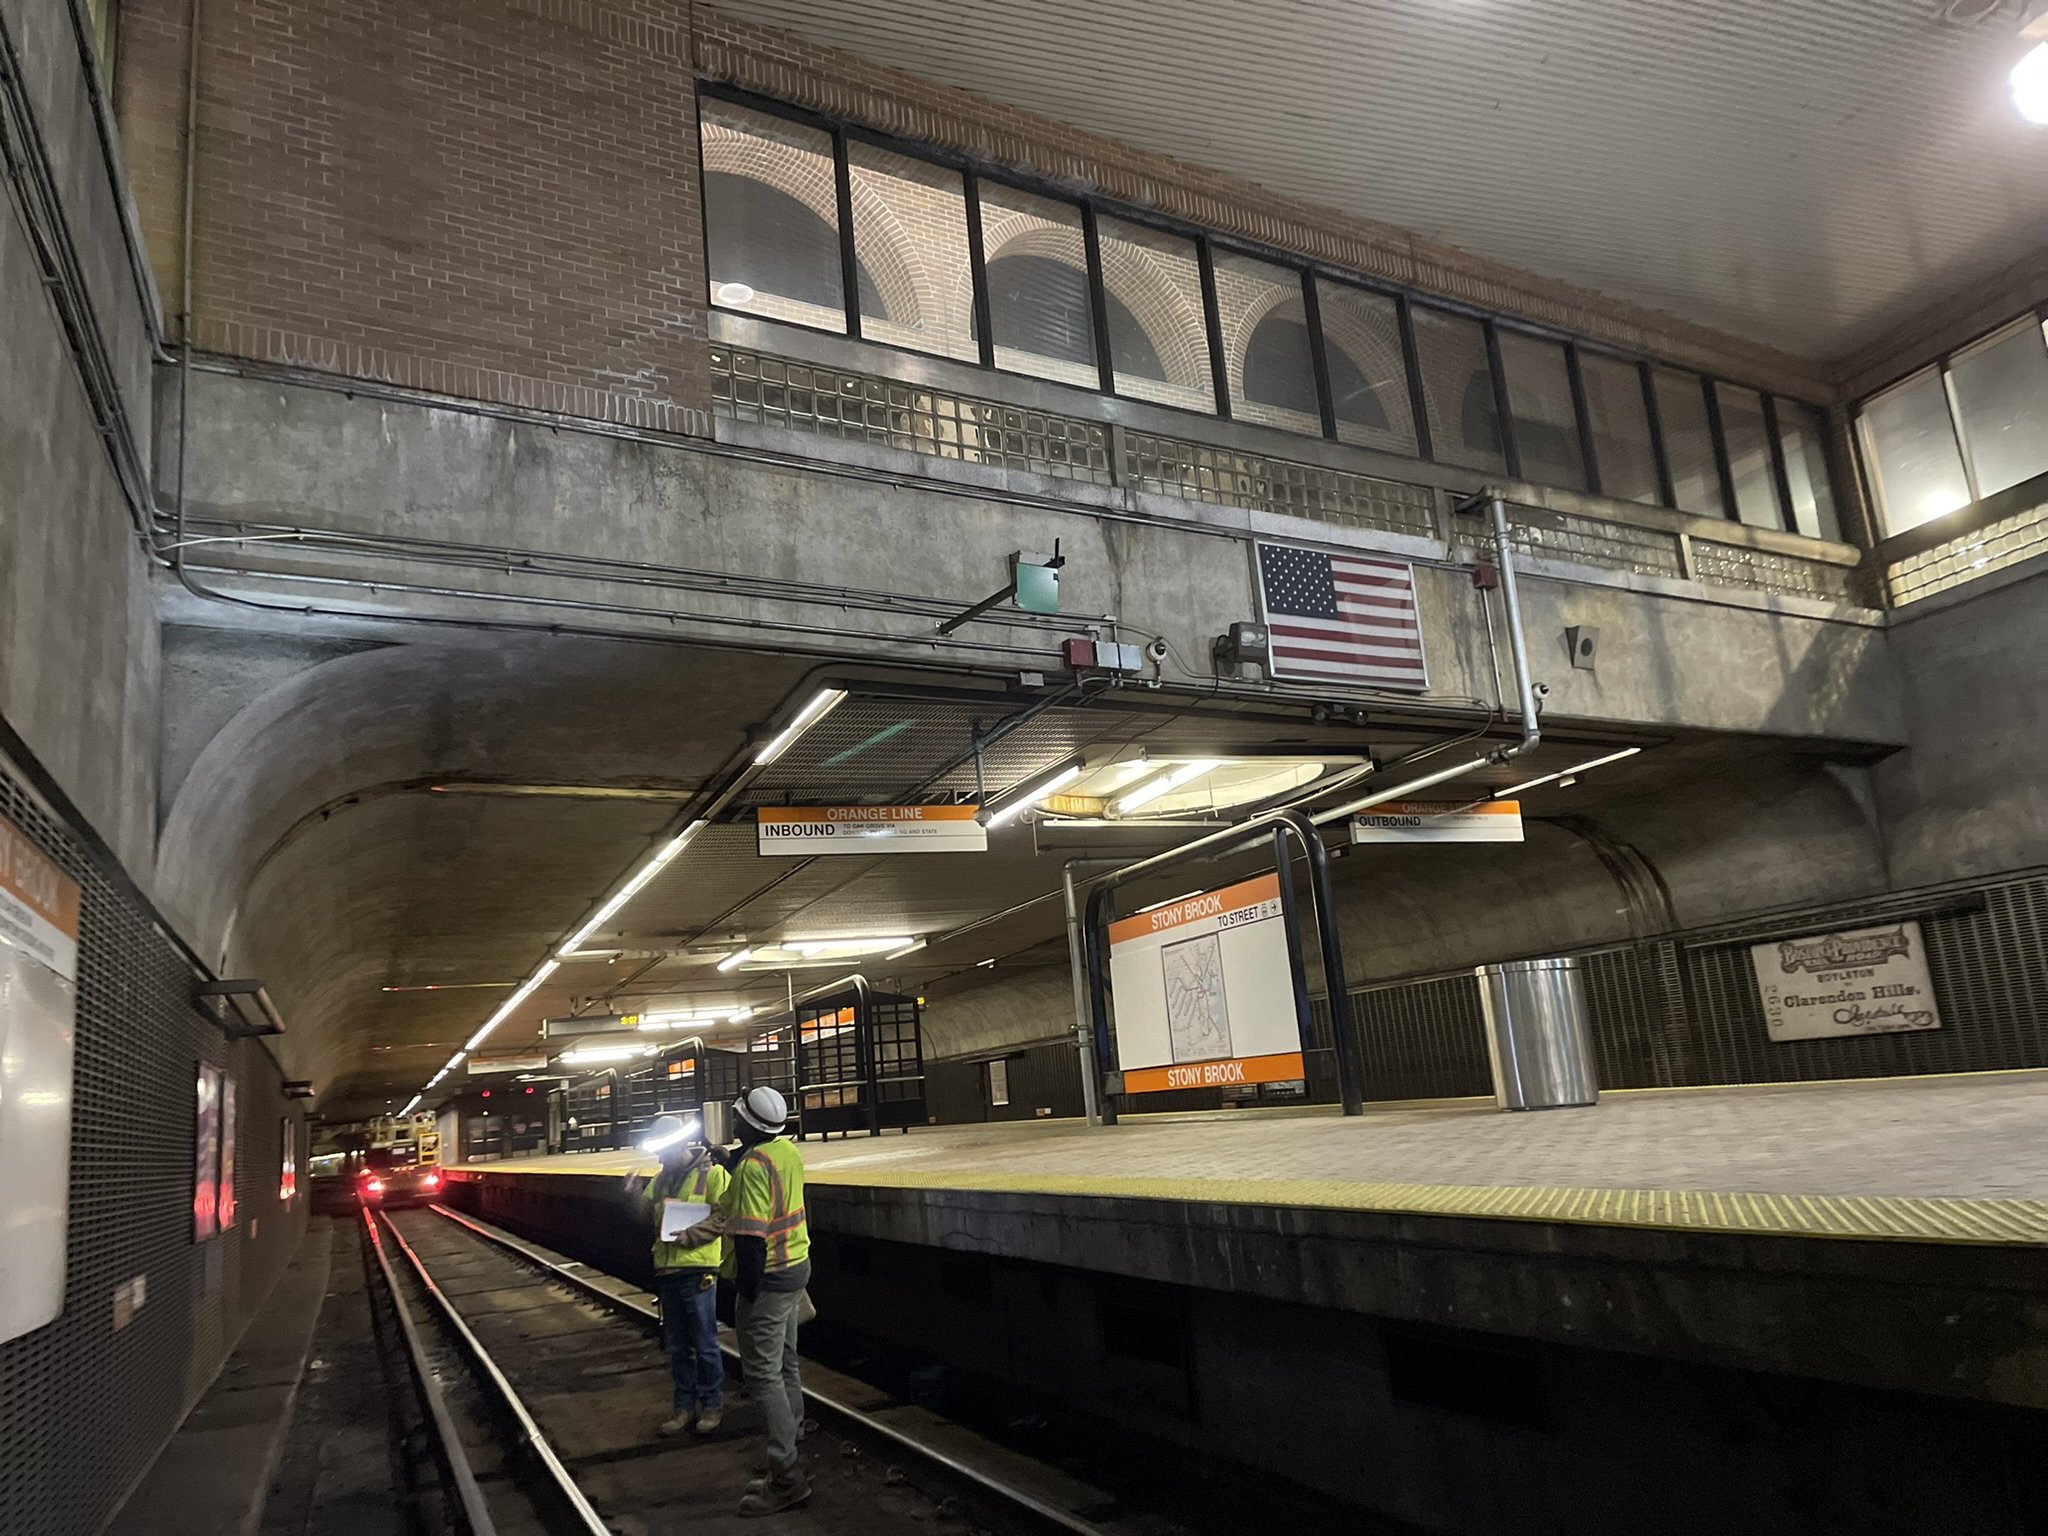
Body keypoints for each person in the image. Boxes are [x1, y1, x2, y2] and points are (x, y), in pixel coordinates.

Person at [721, 1085, 813, 1516]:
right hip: (797, 1266)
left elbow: (751, 1243)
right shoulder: (785, 1152)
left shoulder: (752, 1170)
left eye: (737, 1117)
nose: (733, 1121)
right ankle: (792, 1443)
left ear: (747, 1124)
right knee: (787, 1362)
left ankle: (786, 1477)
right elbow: (762, 1166)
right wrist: (730, 1160)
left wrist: (747, 1290)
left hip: (770, 1278)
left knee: (762, 1374)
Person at [634, 1114, 729, 1436]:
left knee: (704, 1343)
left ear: (679, 1146)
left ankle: (712, 1406)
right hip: (668, 1270)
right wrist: (632, 1193)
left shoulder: (714, 1175)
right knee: (677, 1345)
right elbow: (644, 1214)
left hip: (698, 1269)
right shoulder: (661, 1179)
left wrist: (694, 1235)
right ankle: (683, 1408)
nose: (660, 1159)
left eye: (664, 1152)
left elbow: (725, 1215)